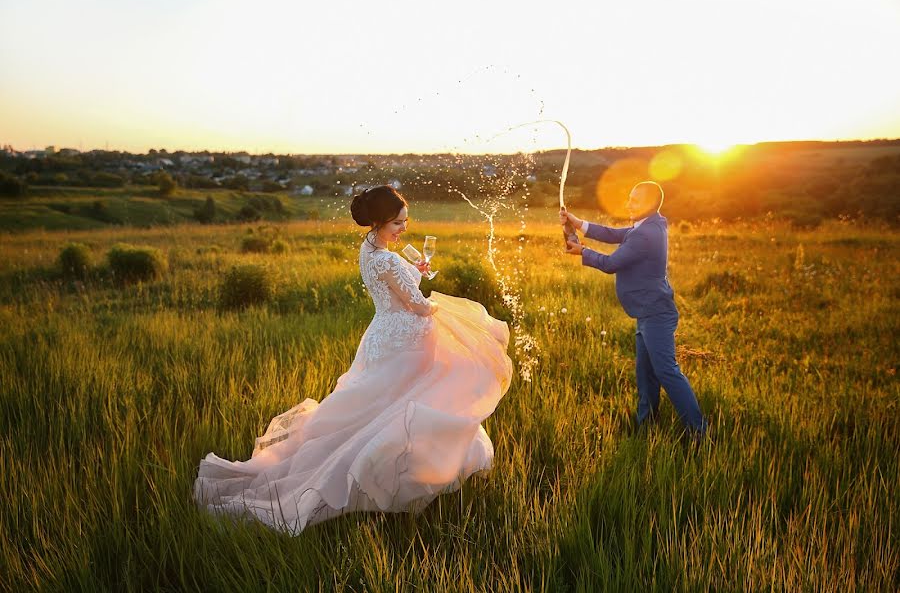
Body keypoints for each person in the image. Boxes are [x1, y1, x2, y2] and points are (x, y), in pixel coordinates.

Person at [194, 185, 513, 534]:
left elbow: (398, 285)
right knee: (407, 407)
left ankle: (391, 471)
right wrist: (439, 305)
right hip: (405, 342)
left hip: (384, 336)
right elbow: (418, 305)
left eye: (405, 221)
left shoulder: (370, 249)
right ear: (378, 222)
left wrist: (417, 270)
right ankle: (389, 478)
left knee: (382, 408)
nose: (403, 228)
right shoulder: (388, 258)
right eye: (397, 224)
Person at [560, 181, 707, 438]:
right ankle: (645, 427)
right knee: (646, 374)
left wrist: (582, 251)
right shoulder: (649, 225)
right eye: (629, 198)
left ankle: (700, 433)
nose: (629, 204)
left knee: (667, 372)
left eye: (635, 200)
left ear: (649, 204)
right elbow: (612, 233)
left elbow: (610, 263)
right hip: (646, 313)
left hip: (656, 314)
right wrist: (577, 222)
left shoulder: (645, 233)